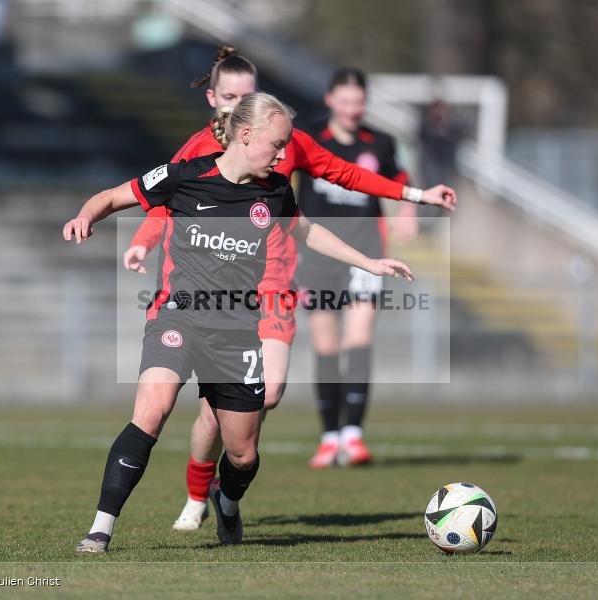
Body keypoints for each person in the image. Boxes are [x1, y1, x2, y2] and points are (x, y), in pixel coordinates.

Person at [122, 46, 458, 530]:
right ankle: (199, 493)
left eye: (249, 94)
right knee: (214, 417)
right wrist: (141, 243)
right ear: (213, 97)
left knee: (270, 393)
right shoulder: (196, 150)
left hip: (273, 279)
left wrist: (415, 194)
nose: (238, 102)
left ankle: (227, 483)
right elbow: (160, 202)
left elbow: (344, 172)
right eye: (230, 95)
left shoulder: (286, 139)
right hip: (216, 292)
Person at [64, 92, 416, 552]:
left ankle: (226, 504)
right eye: (277, 144)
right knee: (151, 412)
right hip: (178, 317)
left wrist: (368, 263)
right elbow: (113, 196)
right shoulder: (184, 175)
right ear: (246, 136)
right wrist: (85, 216)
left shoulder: (272, 191)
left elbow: (308, 230)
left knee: (243, 454)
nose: (283, 153)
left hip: (237, 335)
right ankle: (101, 529)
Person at [297, 68, 417, 468]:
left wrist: (408, 211)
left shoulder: (378, 143)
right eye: (345, 101)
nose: (352, 109)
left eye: (359, 102)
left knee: (359, 340)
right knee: (326, 345)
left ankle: (354, 436)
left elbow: (400, 180)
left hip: (366, 253)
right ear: (330, 100)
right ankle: (329, 436)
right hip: (317, 255)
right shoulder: (310, 140)